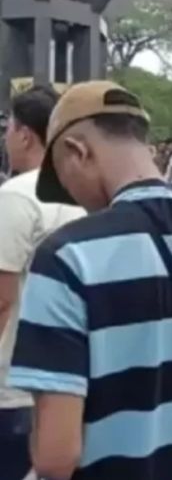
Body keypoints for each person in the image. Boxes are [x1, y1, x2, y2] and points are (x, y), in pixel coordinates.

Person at [7, 81, 172, 480]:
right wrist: (169, 395)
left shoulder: (66, 257)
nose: (72, 197)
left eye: (63, 179)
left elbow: (55, 458)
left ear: (77, 151)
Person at [0, 86, 85, 480]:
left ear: (24, 134)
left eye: (8, 128)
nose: (5, 138)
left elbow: (2, 297)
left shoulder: (17, 196)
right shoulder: (81, 193)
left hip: (10, 387)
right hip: (65, 383)